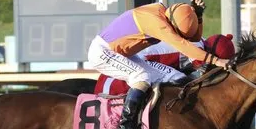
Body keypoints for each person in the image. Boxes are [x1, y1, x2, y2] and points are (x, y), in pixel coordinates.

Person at [87, 0, 230, 129]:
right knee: (141, 76)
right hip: (102, 52)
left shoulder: (166, 12)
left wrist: (197, 15)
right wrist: (216, 61)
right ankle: (125, 123)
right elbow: (184, 45)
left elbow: (194, 39)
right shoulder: (157, 24)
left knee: (164, 76)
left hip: (123, 53)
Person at [94, 33, 236, 96]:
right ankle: (128, 120)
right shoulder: (198, 50)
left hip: (134, 61)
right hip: (123, 71)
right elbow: (201, 78)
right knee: (181, 81)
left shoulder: (201, 42)